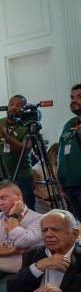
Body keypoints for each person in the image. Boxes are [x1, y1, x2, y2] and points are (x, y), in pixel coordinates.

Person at [0, 95, 36, 212]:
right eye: (11, 104)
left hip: (21, 176)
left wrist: (5, 136)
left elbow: (24, 149)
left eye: (18, 105)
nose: (13, 107)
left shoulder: (28, 126)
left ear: (24, 109)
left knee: (25, 210)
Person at [56, 83, 81, 219]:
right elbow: (61, 153)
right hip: (69, 185)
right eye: (72, 97)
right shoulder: (70, 124)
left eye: (79, 97)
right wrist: (60, 180)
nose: (74, 100)